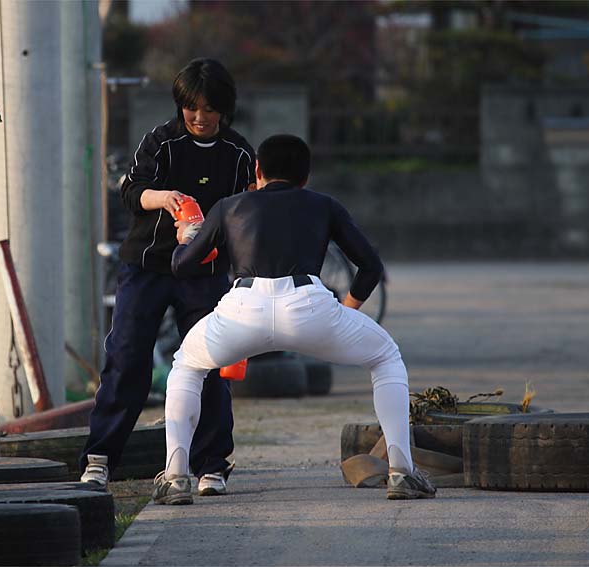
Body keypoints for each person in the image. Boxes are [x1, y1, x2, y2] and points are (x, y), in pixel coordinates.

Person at [152, 134, 436, 505]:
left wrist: (187, 237)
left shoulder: (228, 206)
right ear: (306, 176)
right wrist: (344, 313)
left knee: (187, 367)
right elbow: (370, 266)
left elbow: (181, 266)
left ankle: (175, 477)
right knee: (385, 357)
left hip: (242, 308)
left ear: (257, 170)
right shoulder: (323, 205)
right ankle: (402, 473)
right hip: (309, 306)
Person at [79, 58, 255, 495]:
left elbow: (247, 214)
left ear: (224, 110)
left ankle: (211, 464)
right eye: (191, 108)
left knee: (210, 364)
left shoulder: (239, 154)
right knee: (127, 357)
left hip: (205, 273)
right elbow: (131, 191)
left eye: (209, 110)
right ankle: (99, 459)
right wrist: (165, 198)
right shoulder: (160, 140)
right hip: (147, 265)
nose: (199, 117)